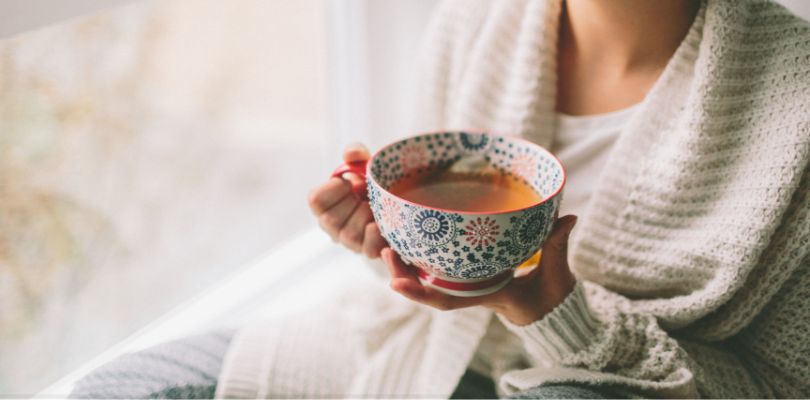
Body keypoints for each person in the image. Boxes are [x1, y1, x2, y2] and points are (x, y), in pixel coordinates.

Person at [73, 0, 810, 398]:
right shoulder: (474, 24)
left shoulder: (795, 105)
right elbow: (439, 256)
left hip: (604, 385)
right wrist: (384, 236)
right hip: (420, 349)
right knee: (120, 390)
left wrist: (556, 313)